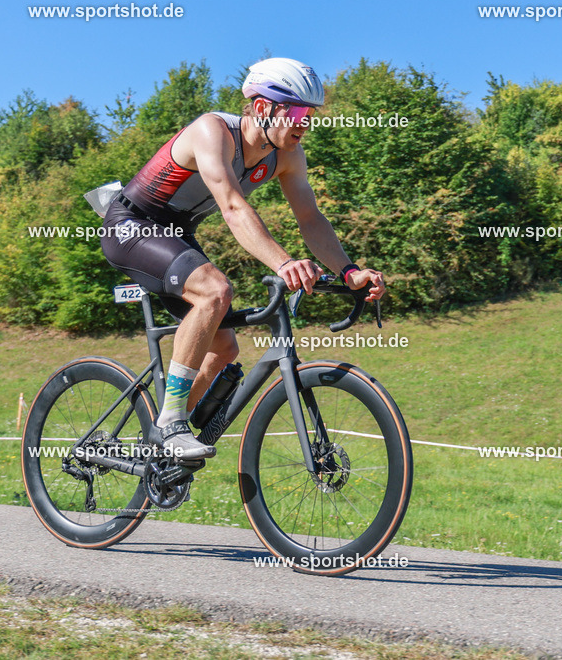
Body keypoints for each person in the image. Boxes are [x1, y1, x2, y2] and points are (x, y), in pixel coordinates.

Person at [99, 57, 386, 460]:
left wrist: (349, 271)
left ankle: (159, 446)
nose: (305, 124)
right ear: (263, 107)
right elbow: (233, 207)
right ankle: (170, 425)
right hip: (131, 225)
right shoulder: (212, 131)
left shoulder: (288, 156)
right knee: (215, 291)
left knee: (224, 349)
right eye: (298, 114)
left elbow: (310, 219)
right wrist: (284, 263)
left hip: (176, 234)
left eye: (311, 116)